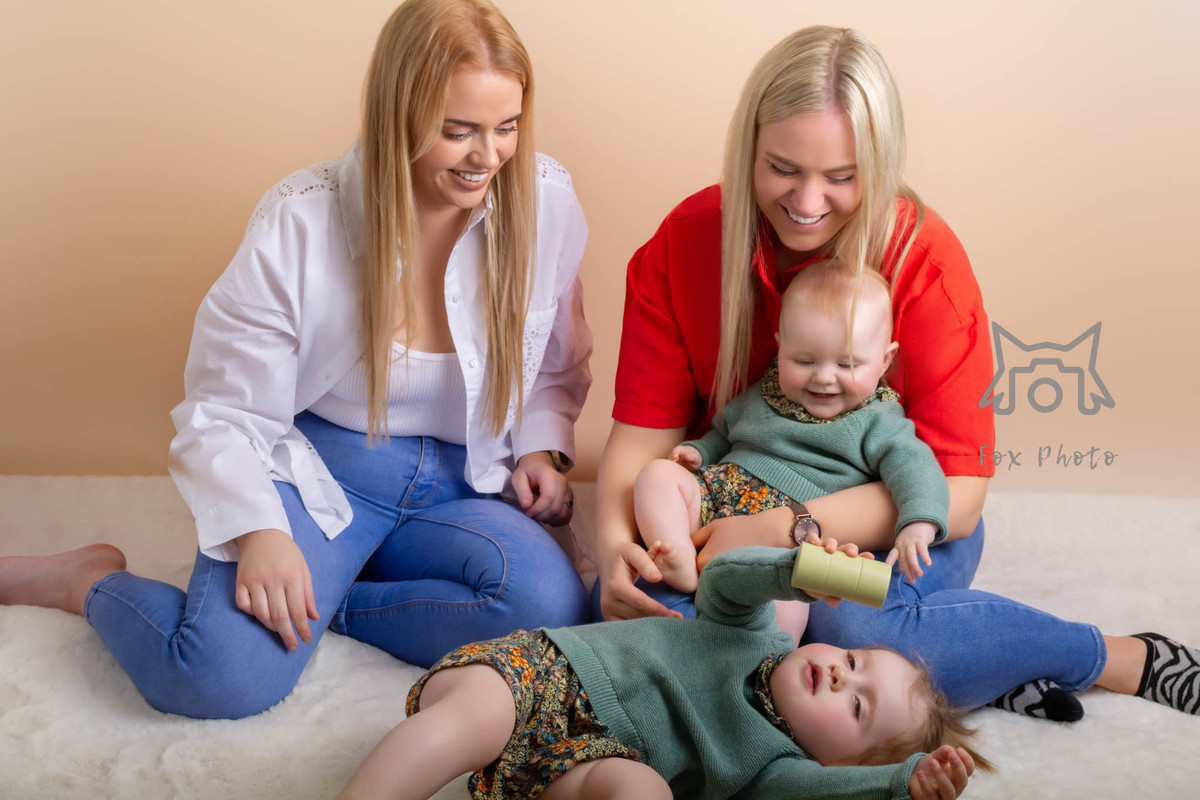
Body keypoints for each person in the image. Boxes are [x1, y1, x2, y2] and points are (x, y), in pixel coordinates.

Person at [0, 0, 592, 720]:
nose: (488, 156)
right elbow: (222, 410)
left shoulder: (545, 199)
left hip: (462, 477)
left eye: (506, 128)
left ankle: (330, 600)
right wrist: (262, 532)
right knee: (215, 676)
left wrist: (540, 450)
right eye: (457, 131)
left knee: (550, 607)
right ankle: (83, 582)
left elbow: (553, 363)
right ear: (396, 116)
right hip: (325, 474)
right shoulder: (302, 220)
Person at [593, 23, 1200, 722]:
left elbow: (959, 494)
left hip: (895, 518)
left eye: (842, 177)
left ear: (876, 165)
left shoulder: (928, 264)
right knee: (645, 619)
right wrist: (614, 550)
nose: (808, 201)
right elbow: (641, 441)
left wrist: (777, 531)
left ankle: (1117, 655)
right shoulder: (684, 244)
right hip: (728, 514)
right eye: (783, 168)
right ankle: (982, 663)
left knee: (851, 628)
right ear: (747, 149)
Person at [337, 542, 985, 800]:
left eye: (857, 709)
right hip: (543, 673)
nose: (842, 676)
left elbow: (829, 796)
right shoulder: (754, 633)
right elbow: (729, 577)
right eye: (851, 660)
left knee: (645, 791)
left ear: (834, 764)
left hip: (578, 765)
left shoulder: (770, 770)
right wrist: (799, 570)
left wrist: (903, 785)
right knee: (472, 717)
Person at [635, 258, 947, 596]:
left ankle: (765, 641)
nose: (824, 377)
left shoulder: (879, 420)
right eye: (804, 361)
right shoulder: (768, 391)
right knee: (656, 475)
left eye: (848, 364)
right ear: (781, 346)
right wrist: (699, 452)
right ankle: (677, 553)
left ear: (885, 360)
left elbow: (917, 468)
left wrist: (918, 524)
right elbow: (724, 432)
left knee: (795, 588)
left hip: (788, 543)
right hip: (715, 497)